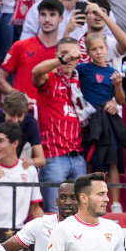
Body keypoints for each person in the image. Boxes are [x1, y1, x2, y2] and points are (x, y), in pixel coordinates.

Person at [31, 37, 86, 212]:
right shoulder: (50, 79)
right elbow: (36, 72)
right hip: (54, 157)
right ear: (57, 56)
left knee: (81, 213)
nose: (68, 59)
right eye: (63, 54)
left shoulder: (81, 81)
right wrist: (62, 60)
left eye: (72, 55)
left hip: (78, 156)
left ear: (79, 58)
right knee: (54, 213)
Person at [77, 31, 126, 211]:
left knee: (111, 162)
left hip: (108, 122)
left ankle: (115, 203)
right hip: (90, 121)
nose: (98, 52)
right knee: (89, 160)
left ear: (107, 49)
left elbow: (121, 100)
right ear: (88, 52)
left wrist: (118, 87)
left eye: (101, 48)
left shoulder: (114, 72)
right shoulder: (83, 69)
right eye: (94, 49)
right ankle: (85, 201)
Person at [0, 0, 61, 100]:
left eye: (52, 15)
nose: (47, 19)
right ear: (38, 17)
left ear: (61, 18)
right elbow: (0, 79)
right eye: (43, 14)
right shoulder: (20, 46)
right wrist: (21, 98)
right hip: (23, 113)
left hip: (51, 113)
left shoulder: (63, 52)